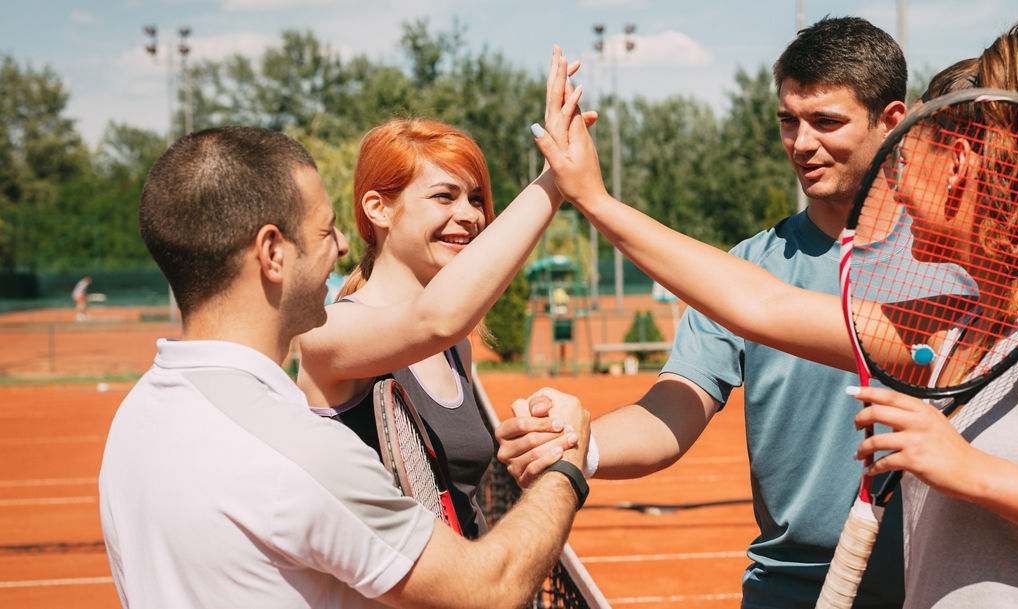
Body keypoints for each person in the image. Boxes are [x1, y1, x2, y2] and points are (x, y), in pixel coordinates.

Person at [528, 20, 1018, 609]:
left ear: (957, 162)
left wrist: (963, 467)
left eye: (907, 156)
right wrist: (595, 201)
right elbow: (758, 301)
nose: (892, 180)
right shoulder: (958, 321)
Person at [502, 17, 909, 609]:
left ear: (890, 122)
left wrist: (595, 199)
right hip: (787, 589)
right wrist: (578, 442)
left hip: (934, 587)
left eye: (826, 122)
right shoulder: (745, 267)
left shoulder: (951, 262)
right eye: (788, 121)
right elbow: (672, 409)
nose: (801, 143)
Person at [98, 124, 592, 609]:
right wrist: (566, 470)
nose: (340, 244)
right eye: (324, 229)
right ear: (272, 252)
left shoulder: (139, 416)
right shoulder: (302, 451)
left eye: (476, 198)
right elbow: (488, 590)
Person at [295, 49, 594, 538]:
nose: (471, 215)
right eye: (444, 196)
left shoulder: (457, 347)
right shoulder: (329, 332)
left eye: (476, 198)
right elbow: (435, 319)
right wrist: (557, 179)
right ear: (379, 209)